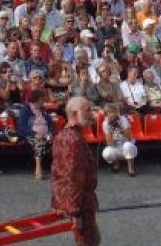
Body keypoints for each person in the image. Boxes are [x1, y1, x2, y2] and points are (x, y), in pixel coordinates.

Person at [51, 96, 100, 246]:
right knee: (87, 242)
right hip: (80, 203)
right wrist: (75, 212)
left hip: (77, 201)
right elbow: (72, 177)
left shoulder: (63, 135)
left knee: (95, 239)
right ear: (73, 113)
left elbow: (57, 172)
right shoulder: (74, 140)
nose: (91, 114)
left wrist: (56, 201)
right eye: (87, 110)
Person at [15, 89, 55, 180]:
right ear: (36, 99)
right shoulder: (25, 110)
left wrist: (50, 133)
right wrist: (35, 133)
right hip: (31, 135)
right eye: (42, 99)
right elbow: (21, 128)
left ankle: (60, 169)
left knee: (59, 142)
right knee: (39, 141)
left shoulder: (44, 110)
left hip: (46, 135)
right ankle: (38, 169)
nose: (44, 101)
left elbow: (51, 124)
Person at [100, 103, 137, 177]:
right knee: (107, 153)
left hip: (127, 143)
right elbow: (110, 144)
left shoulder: (123, 119)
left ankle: (131, 168)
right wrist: (111, 130)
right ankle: (116, 163)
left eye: (113, 112)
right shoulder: (105, 123)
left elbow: (129, 138)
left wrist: (120, 128)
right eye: (109, 112)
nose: (112, 114)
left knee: (128, 145)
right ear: (106, 114)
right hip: (116, 145)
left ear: (117, 112)